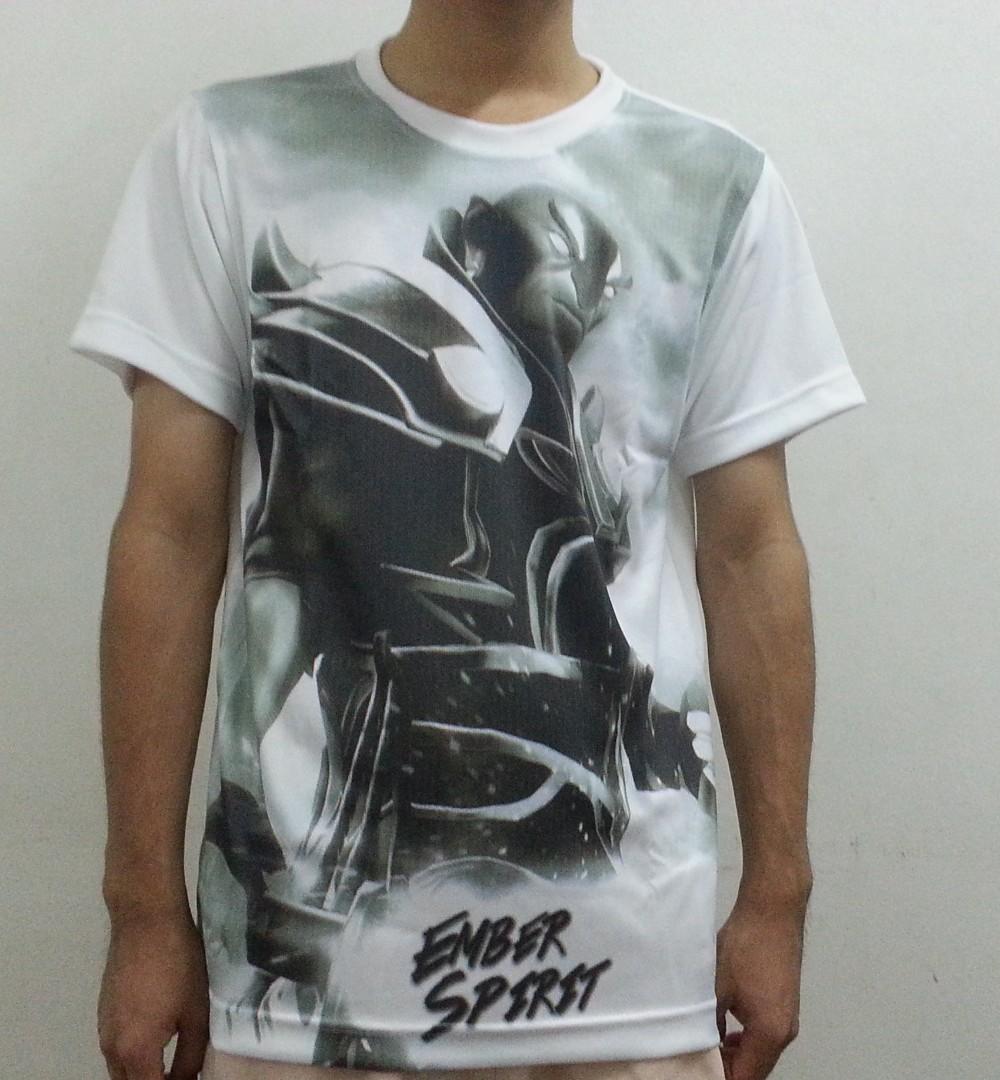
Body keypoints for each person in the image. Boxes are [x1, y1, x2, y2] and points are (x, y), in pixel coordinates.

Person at [67, 2, 867, 1078]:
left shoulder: (714, 182)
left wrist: (779, 892)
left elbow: (751, 552)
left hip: (628, 965)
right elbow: (172, 538)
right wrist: (142, 905)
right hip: (310, 973)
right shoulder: (229, 151)